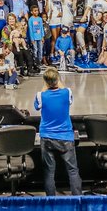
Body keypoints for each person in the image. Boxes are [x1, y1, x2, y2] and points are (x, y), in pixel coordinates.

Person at [34, 68, 80, 196]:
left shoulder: (40, 95)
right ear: (58, 79)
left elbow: (36, 106)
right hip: (65, 137)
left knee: (49, 171)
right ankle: (78, 197)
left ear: (45, 81)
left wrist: (46, 87)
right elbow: (69, 101)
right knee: (72, 170)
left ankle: (51, 199)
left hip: (47, 137)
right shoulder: (67, 92)